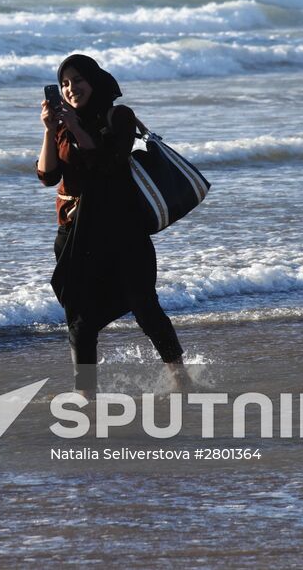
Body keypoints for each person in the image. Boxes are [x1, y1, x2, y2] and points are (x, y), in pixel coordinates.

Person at [36, 54, 189, 396]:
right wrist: (50, 130)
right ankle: (85, 394)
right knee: (80, 319)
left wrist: (76, 126)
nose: (70, 89)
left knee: (145, 306)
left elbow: (111, 163)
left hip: (123, 230)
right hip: (76, 234)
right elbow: (47, 175)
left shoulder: (119, 116)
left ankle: (181, 378)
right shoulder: (60, 126)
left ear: (94, 80)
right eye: (64, 84)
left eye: (77, 80)